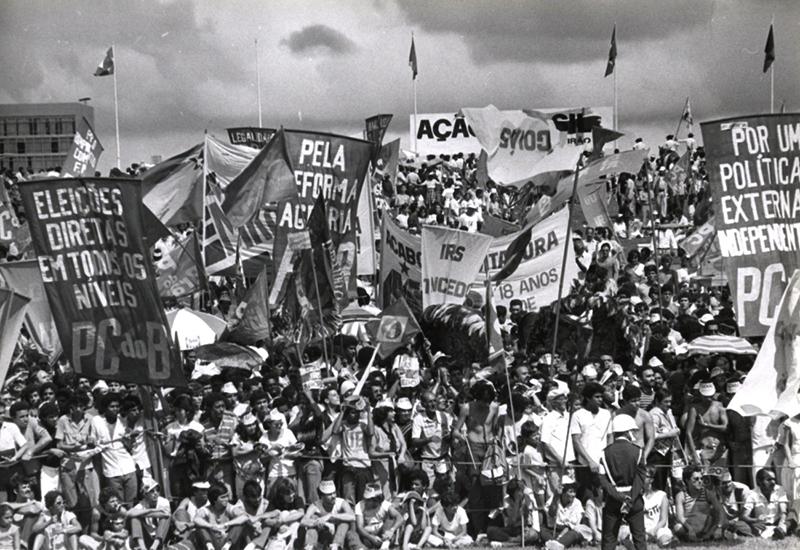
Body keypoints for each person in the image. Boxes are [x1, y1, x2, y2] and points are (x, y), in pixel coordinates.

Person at [597, 414, 646, 550]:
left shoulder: (604, 453)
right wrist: (630, 498)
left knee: (609, 539)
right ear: (627, 431)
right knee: (640, 539)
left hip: (613, 499)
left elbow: (602, 479)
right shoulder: (638, 452)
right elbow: (640, 477)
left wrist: (618, 496)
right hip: (634, 499)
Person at [89, 394, 138, 506]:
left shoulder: (124, 421)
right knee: (117, 505)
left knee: (131, 503)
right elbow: (93, 440)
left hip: (129, 468)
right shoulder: (96, 421)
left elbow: (130, 447)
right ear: (105, 408)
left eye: (117, 406)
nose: (115, 409)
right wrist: (91, 442)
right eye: (112, 406)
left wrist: (129, 439)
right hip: (111, 471)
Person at [300, 479, 359, 550]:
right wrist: (319, 523)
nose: (333, 496)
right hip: (323, 534)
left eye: (334, 493)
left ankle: (335, 546)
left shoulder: (341, 502)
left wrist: (331, 515)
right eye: (329, 494)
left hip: (341, 535)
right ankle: (310, 546)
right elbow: (303, 521)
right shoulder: (315, 505)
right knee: (313, 517)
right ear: (322, 496)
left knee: (344, 521)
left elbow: (353, 517)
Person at [543, 475, 592, 550]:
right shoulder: (555, 498)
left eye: (574, 492)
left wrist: (560, 536)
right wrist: (555, 498)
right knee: (543, 531)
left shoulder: (577, 503)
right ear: (563, 492)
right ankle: (556, 545)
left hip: (567, 531)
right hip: (554, 530)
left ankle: (554, 544)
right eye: (570, 492)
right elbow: (551, 514)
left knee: (574, 534)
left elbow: (571, 526)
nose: (573, 495)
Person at [674, 465, 720, 542]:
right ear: (687, 480)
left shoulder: (707, 493)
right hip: (689, 525)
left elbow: (718, 511)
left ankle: (705, 536)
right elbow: (680, 517)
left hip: (705, 525)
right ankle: (695, 538)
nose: (700, 481)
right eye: (696, 479)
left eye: (701, 478)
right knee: (678, 528)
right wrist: (690, 529)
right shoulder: (681, 495)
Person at [354, 482, 402, 549]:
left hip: (383, 532)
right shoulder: (360, 505)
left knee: (390, 518)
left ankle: (385, 544)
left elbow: (399, 517)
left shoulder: (385, 504)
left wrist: (392, 530)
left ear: (376, 500)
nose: (366, 501)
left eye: (368, 500)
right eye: (366, 499)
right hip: (368, 533)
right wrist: (371, 537)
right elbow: (360, 527)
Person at [127, 479, 171, 550]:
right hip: (148, 537)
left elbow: (166, 514)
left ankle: (154, 547)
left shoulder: (164, 501)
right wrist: (152, 511)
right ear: (146, 494)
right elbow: (129, 513)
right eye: (152, 491)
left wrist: (142, 513)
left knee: (165, 517)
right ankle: (143, 548)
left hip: (161, 538)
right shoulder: (141, 504)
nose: (156, 493)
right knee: (134, 519)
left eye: (157, 490)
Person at [751, 467, 790, 539]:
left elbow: (783, 511)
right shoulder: (752, 493)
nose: (773, 482)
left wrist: (781, 525)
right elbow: (744, 515)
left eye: (774, 479)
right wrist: (754, 522)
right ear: (759, 481)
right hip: (762, 524)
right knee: (741, 525)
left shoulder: (779, 489)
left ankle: (781, 531)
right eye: (769, 480)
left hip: (778, 523)